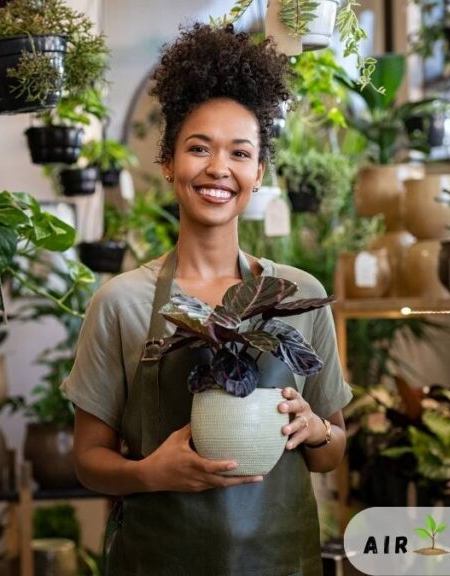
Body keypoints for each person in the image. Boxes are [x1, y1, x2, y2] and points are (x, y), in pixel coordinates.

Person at [60, 23, 353, 576]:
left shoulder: (301, 296)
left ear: (258, 173)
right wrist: (152, 473)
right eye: (199, 148)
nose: (219, 168)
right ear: (169, 162)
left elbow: (332, 451)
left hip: (282, 562)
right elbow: (88, 461)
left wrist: (315, 428)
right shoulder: (121, 303)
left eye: (240, 153)